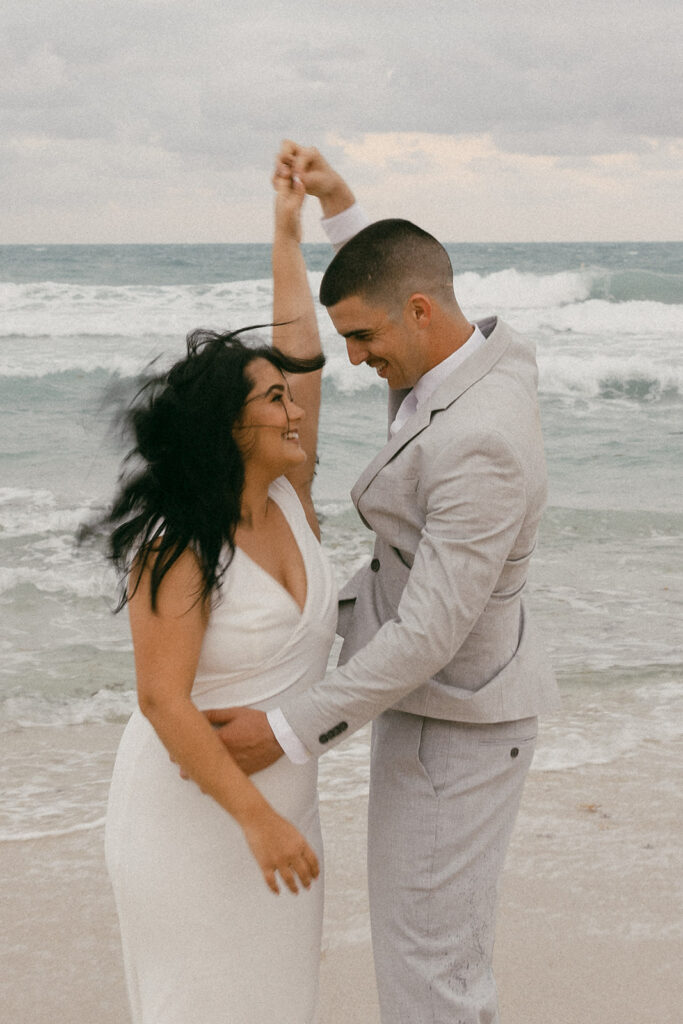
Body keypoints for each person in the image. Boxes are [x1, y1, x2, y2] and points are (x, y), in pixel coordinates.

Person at [210, 142, 561, 1024]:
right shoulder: (464, 356)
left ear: (416, 313)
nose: (356, 360)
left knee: (427, 968)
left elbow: (427, 635)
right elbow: (395, 274)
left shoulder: (480, 440)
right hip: (435, 709)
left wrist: (288, 731)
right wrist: (341, 211)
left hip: (457, 726)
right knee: (435, 954)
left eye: (363, 339)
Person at [97, 169, 336, 1023]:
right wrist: (253, 823)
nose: (295, 411)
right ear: (232, 429)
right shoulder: (178, 548)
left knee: (277, 1004)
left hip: (284, 803)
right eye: (273, 401)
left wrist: (286, 233)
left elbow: (301, 351)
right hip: (192, 818)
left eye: (288, 396)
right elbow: (162, 701)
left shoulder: (290, 501)